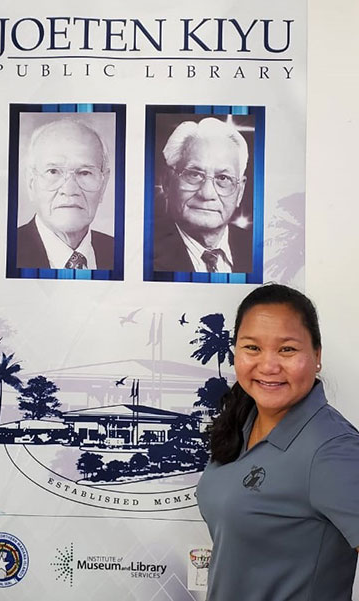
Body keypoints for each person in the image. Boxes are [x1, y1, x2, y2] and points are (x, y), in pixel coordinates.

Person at [197, 284, 359, 600]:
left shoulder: (334, 450)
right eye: (252, 348)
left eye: (287, 349)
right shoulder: (240, 423)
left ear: (317, 356)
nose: (269, 366)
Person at [153, 117, 252, 273]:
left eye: (223, 178)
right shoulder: (143, 251)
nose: (207, 194)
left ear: (240, 192)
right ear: (167, 183)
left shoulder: (259, 248)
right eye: (194, 175)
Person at [17, 119, 114, 270]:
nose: (69, 190)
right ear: (31, 183)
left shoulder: (120, 252)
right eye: (53, 171)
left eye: (85, 172)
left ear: (103, 185)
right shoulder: (4, 252)